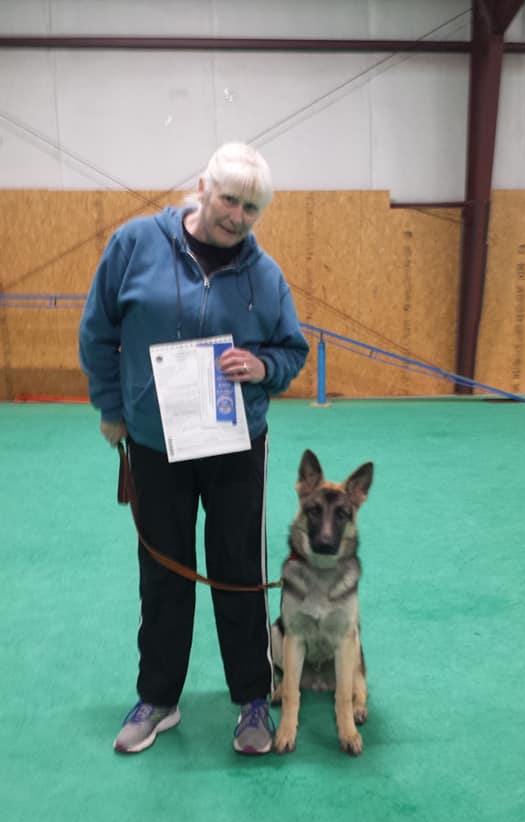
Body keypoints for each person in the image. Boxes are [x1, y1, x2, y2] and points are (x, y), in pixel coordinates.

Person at [79, 142, 309, 756]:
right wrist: (111, 408)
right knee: (164, 571)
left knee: (239, 571)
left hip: (236, 445)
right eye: (229, 199)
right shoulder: (135, 245)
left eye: (252, 208)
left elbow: (292, 351)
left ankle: (252, 698)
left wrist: (261, 367)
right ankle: (158, 698)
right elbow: (98, 331)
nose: (237, 216)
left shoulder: (266, 275)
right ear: (203, 187)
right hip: (155, 442)